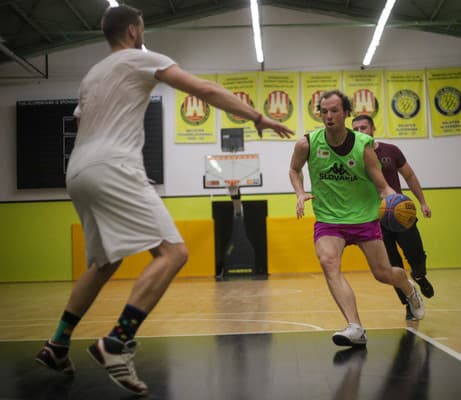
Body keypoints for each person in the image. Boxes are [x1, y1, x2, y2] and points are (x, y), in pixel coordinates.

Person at [34, 4, 293, 396]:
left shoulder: (91, 76)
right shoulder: (140, 58)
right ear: (135, 31)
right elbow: (204, 90)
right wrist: (259, 118)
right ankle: (117, 342)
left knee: (104, 262)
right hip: (113, 167)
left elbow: (86, 122)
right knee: (173, 254)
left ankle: (57, 343)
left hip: (79, 171)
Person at [289, 89, 425, 348]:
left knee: (383, 274)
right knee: (328, 262)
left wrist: (393, 199)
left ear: (346, 113)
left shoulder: (363, 147)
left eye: (334, 111)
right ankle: (355, 327)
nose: (328, 116)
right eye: (324, 111)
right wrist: (299, 193)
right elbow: (294, 169)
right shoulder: (307, 143)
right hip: (329, 219)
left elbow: (382, 185)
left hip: (364, 218)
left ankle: (409, 289)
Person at [351, 115, 434, 321]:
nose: (360, 131)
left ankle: (420, 275)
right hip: (374, 219)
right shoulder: (352, 157)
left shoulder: (391, 151)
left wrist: (422, 202)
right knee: (391, 266)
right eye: (356, 129)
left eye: (364, 127)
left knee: (416, 255)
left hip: (400, 212)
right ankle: (409, 305)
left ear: (373, 128)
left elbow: (410, 176)